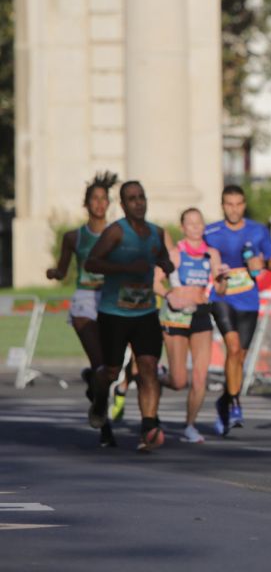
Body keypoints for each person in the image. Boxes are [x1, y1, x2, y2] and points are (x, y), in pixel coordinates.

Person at [84, 181, 174, 452]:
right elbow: (92, 262)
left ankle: (148, 425)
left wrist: (165, 264)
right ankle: (100, 400)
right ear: (123, 205)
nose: (138, 202)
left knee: (148, 368)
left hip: (145, 312)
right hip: (115, 313)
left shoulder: (156, 232)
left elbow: (164, 258)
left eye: (141, 197)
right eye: (132, 198)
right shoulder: (115, 232)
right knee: (111, 371)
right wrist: (124, 267)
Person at [47, 172, 119, 447]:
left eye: (103, 199)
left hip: (111, 302)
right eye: (94, 199)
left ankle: (94, 388)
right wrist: (54, 272)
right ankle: (104, 423)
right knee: (102, 365)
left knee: (108, 371)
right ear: (86, 203)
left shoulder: (117, 234)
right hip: (85, 301)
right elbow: (63, 270)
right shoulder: (74, 237)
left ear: (108, 203)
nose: (99, 204)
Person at [204, 185, 271, 435]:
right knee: (233, 348)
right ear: (222, 205)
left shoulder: (258, 230)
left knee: (239, 358)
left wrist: (264, 263)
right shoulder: (211, 232)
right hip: (222, 296)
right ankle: (236, 404)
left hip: (249, 299)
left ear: (244, 204)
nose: (234, 209)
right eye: (229, 204)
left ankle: (225, 399)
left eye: (238, 204)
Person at [155, 208, 227, 443]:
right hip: (176, 316)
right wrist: (168, 295)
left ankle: (190, 425)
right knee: (179, 381)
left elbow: (220, 290)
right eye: (191, 224)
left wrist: (222, 280)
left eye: (199, 223)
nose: (196, 228)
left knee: (199, 377)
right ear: (183, 227)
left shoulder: (211, 254)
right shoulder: (175, 254)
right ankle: (158, 378)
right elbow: (154, 281)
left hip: (201, 316)